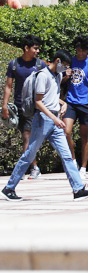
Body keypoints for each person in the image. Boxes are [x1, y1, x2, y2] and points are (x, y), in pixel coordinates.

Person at [2, 49, 88, 202]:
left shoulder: (57, 76)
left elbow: (51, 96)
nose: (65, 69)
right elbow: (38, 102)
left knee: (67, 156)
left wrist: (63, 103)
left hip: (54, 120)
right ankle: (9, 188)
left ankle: (78, 189)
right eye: (64, 65)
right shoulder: (43, 75)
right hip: (43, 120)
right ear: (57, 61)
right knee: (29, 154)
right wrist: (54, 118)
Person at [2, 34, 44, 179]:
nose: (37, 51)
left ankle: (28, 168)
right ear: (26, 48)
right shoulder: (14, 64)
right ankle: (33, 166)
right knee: (26, 137)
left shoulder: (40, 65)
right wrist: (5, 106)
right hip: (18, 106)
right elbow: (8, 86)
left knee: (27, 136)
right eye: (35, 48)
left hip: (33, 108)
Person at [63, 35, 88, 181]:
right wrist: (65, 76)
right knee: (66, 131)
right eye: (78, 50)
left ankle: (84, 168)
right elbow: (61, 79)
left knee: (84, 136)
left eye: (83, 50)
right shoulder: (70, 61)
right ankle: (73, 160)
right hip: (71, 101)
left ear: (87, 50)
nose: (80, 53)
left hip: (85, 103)